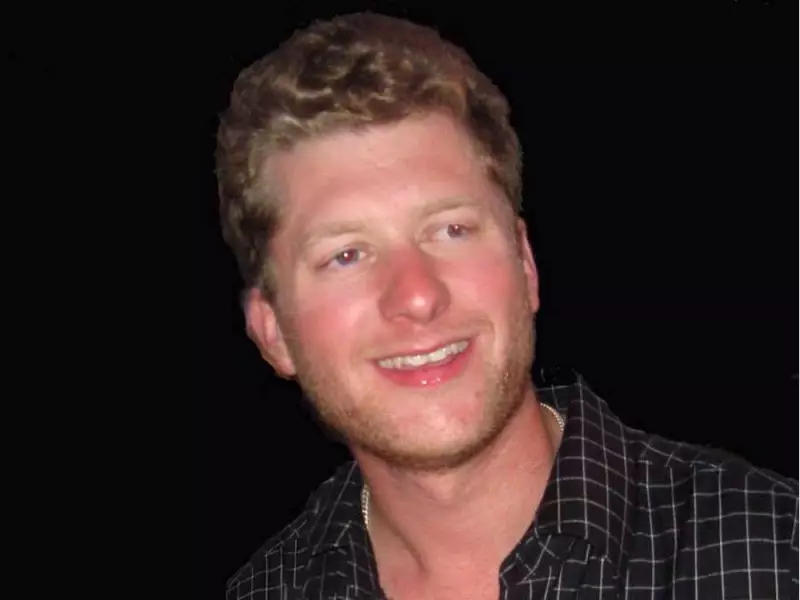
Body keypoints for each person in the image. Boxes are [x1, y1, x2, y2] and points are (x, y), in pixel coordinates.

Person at [214, 11, 798, 600]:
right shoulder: (267, 591)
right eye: (345, 255)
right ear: (273, 332)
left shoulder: (774, 551)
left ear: (525, 264)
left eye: (451, 230)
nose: (417, 295)